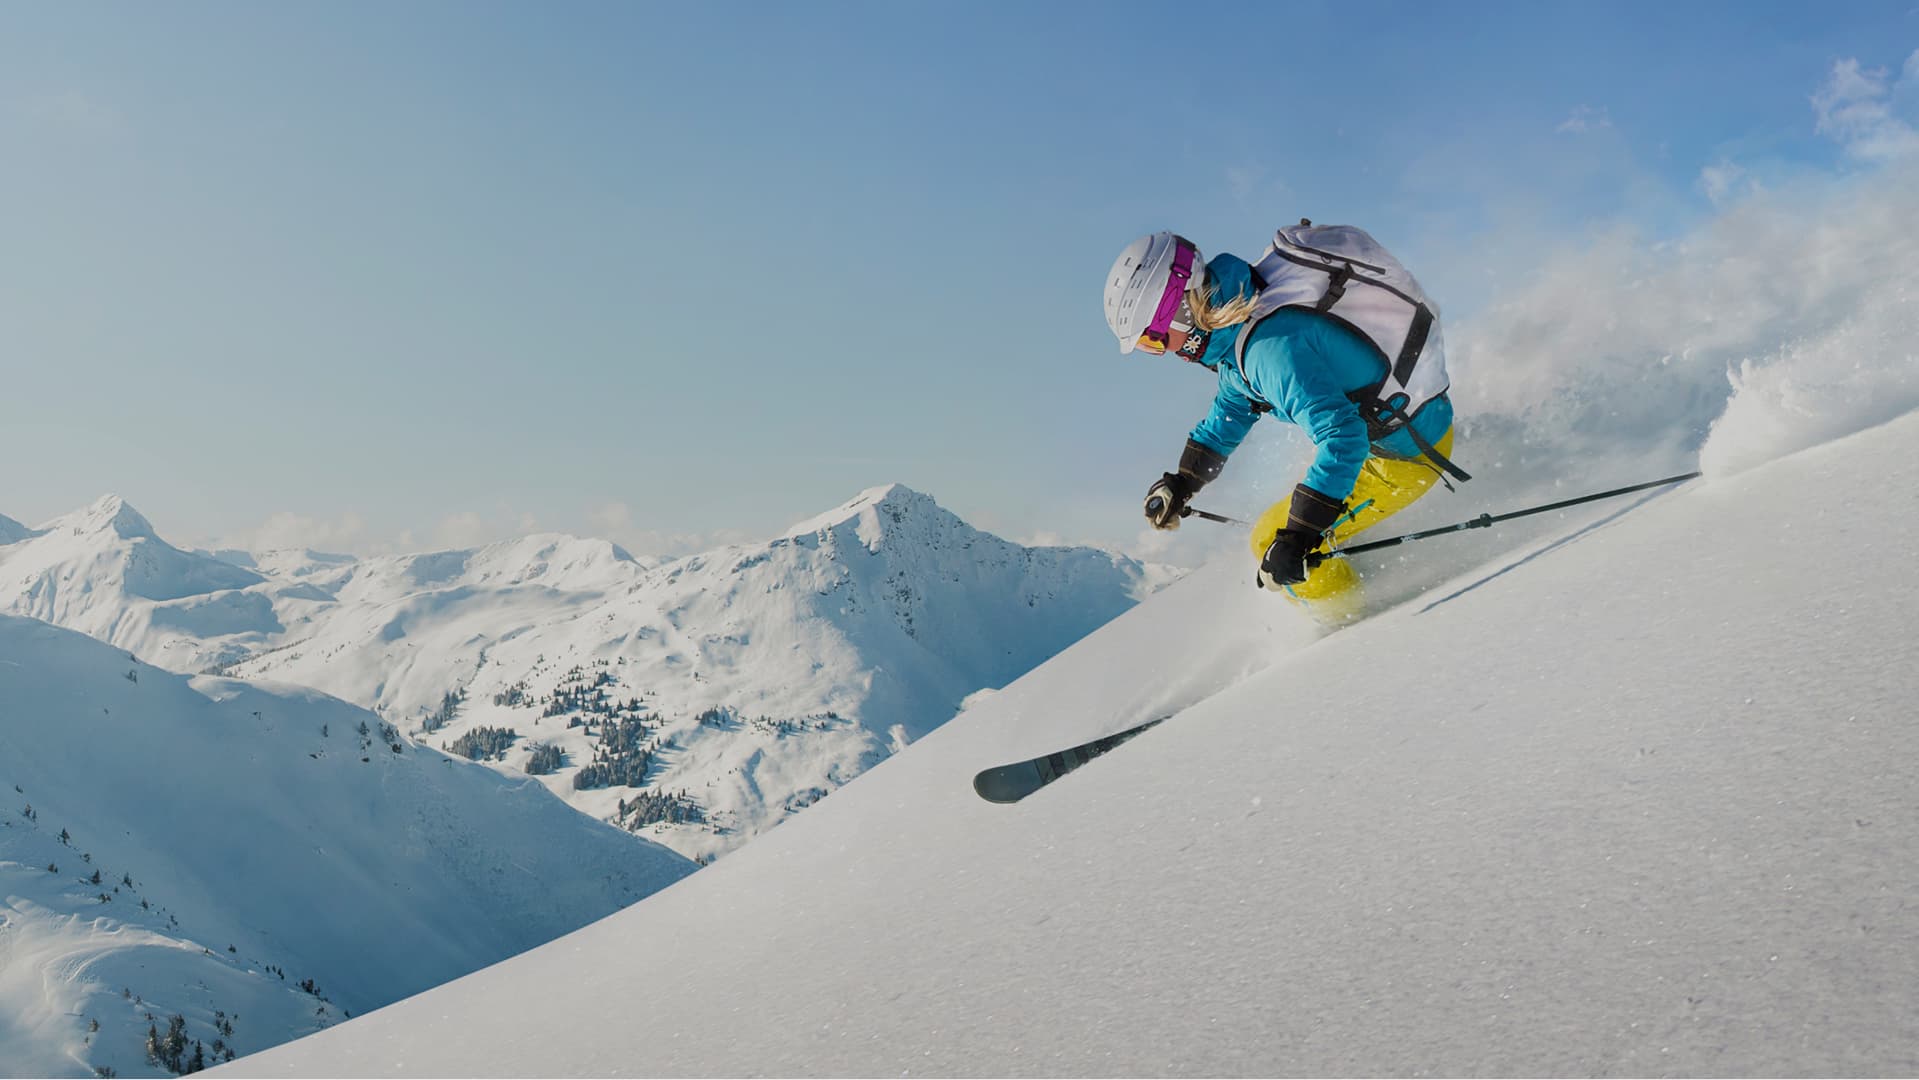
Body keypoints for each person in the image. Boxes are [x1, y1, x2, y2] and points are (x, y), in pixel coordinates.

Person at [1102, 229, 1463, 619]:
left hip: (1406, 460)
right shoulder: (1242, 313)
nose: (1160, 353)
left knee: (1267, 541)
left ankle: (1358, 628)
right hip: (1408, 430)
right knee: (1283, 531)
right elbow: (1233, 407)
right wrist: (1184, 482)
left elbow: (1343, 436)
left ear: (1180, 311)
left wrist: (1301, 535)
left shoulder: (1268, 351)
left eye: (1153, 341)